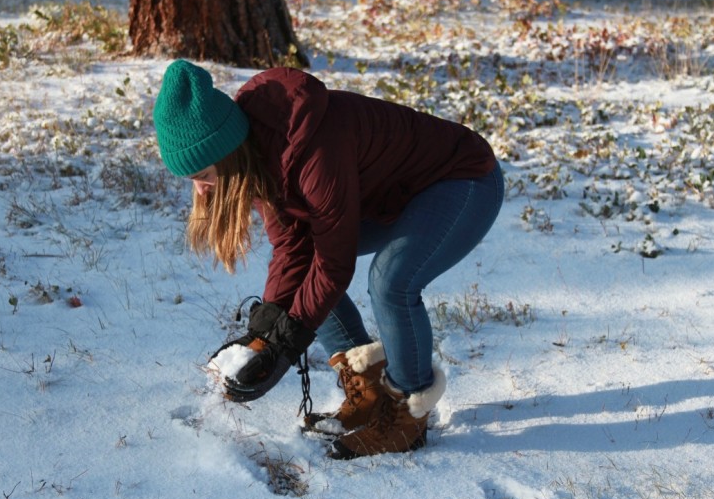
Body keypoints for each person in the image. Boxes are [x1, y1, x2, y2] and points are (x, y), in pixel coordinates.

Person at [153, 59, 503, 459]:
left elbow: (334, 265)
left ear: (226, 155)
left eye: (202, 176)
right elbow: (292, 250)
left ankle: (408, 413)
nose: (200, 192)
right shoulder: (254, 154)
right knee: (313, 273)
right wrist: (265, 333)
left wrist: (286, 345)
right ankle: (369, 387)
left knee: (391, 282)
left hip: (463, 180)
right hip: (397, 195)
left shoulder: (312, 148)